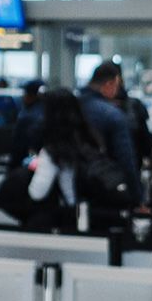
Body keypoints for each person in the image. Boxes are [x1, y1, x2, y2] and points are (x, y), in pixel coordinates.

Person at [16, 90, 101, 232]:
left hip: (57, 216)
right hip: (91, 213)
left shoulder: (51, 150)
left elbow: (37, 192)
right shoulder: (89, 139)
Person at [79, 61, 140, 194]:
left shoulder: (72, 106)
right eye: (117, 86)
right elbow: (125, 157)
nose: (117, 91)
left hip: (75, 184)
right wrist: (136, 193)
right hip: (106, 184)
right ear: (109, 84)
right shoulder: (112, 114)